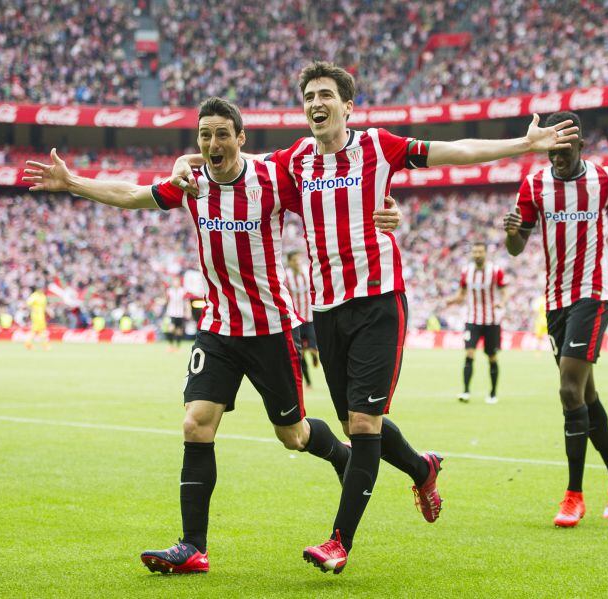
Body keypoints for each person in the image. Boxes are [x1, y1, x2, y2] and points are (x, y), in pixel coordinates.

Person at [173, 61, 580, 573]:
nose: (316, 103)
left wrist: (521, 146)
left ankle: (338, 541)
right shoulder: (294, 160)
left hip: (378, 300)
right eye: (309, 96)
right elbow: (228, 156)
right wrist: (184, 162)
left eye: (326, 94)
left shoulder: (377, 147)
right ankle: (420, 466)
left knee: (364, 422)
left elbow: (450, 152)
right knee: (352, 421)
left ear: (348, 105)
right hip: (325, 307)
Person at [23, 97, 406, 575]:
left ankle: (339, 455)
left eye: (222, 134)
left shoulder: (271, 179)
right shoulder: (192, 182)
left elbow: (330, 196)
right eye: (204, 135)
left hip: (271, 328)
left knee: (293, 434)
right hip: (218, 329)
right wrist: (72, 182)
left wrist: (388, 213)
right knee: (195, 424)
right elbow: (133, 194)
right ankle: (192, 547)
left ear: (241, 138)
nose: (212, 143)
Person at [503, 110, 608, 528]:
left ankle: (574, 495)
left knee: (568, 389)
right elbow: (516, 246)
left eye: (564, 150)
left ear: (580, 144)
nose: (557, 158)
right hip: (556, 302)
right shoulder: (534, 185)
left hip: (594, 294)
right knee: (585, 396)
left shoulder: (605, 180)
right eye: (551, 150)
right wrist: (512, 231)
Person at [447, 242, 507, 404]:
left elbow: (504, 292)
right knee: (469, 353)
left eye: (480, 251)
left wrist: (502, 302)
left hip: (491, 320)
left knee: (492, 356)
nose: (477, 254)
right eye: (475, 252)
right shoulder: (466, 271)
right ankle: (466, 391)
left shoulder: (495, 271)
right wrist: (452, 300)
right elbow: (461, 294)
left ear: (485, 253)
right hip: (472, 319)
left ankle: (493, 393)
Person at [285, 250, 319, 388]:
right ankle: (308, 383)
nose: (297, 262)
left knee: (311, 348)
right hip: (296, 321)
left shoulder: (307, 271)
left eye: (298, 259)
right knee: (300, 354)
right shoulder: (286, 276)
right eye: (294, 260)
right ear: (289, 261)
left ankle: (315, 355)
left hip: (309, 318)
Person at [164, 277, 189, 352]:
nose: (175, 283)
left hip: (180, 313)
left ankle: (178, 347)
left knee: (179, 330)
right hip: (171, 313)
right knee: (170, 328)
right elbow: (166, 301)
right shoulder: (169, 291)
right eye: (174, 281)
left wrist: (188, 311)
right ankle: (171, 345)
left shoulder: (183, 291)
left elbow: (186, 302)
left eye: (177, 281)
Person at [25, 285, 50, 350]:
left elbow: (44, 307)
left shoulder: (43, 296)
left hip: (41, 315)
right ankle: (44, 345)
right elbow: (28, 304)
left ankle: (29, 344)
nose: (42, 289)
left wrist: (48, 312)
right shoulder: (34, 296)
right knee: (39, 331)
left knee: (38, 331)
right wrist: (33, 311)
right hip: (36, 315)